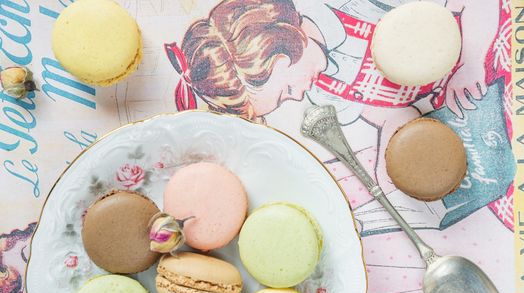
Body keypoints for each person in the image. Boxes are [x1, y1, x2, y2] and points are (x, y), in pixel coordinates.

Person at [165, 0, 514, 231]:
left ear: (281, 59)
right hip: (480, 112)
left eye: (286, 92)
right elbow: (390, 114)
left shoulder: (359, 7)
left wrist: (470, 63)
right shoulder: (325, 86)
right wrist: (390, 176)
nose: (298, 97)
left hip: (497, 61)